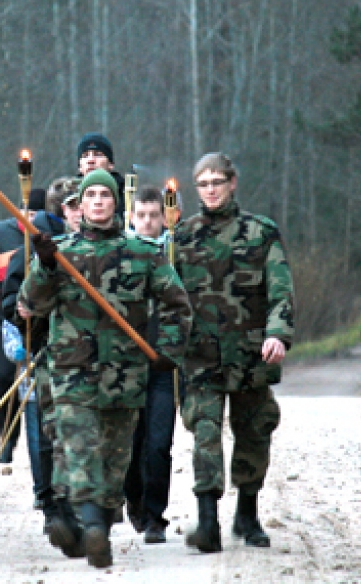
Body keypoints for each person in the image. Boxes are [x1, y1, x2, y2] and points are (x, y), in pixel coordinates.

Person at [18, 169, 192, 569]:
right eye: (90, 195)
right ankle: (92, 525)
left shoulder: (143, 254)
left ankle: (92, 529)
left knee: (115, 464)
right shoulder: (58, 253)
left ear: (117, 203)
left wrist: (169, 350)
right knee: (79, 450)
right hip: (70, 374)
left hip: (124, 377)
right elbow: (29, 306)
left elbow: (177, 305)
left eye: (105, 194)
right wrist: (43, 267)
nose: (97, 201)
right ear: (79, 204)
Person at [173, 152, 294, 553]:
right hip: (200, 355)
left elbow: (280, 289)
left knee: (254, 431)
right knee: (204, 431)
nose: (210, 191)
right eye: (203, 184)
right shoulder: (182, 237)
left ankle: (247, 512)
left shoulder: (261, 233)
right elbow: (162, 292)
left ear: (232, 183)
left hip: (249, 354)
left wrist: (277, 333)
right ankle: (208, 520)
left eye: (216, 182)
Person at [0, 178, 76, 537]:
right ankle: (49, 500)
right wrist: (21, 311)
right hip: (43, 351)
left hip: (88, 358)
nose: (77, 211)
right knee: (43, 430)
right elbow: (10, 296)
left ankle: (83, 503)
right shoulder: (37, 245)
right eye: (71, 205)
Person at [123, 185, 179, 544]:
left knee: (159, 443)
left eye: (153, 216)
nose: (147, 222)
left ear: (164, 217)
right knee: (131, 442)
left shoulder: (174, 253)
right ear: (131, 217)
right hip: (126, 366)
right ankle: (134, 499)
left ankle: (156, 515)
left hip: (163, 366)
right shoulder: (121, 253)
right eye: (141, 216)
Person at [0, 187, 48, 463]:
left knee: (34, 383)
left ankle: (39, 443)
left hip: (38, 317)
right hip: (4, 317)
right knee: (3, 376)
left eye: (35, 213)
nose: (29, 217)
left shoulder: (45, 236)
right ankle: (7, 435)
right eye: (26, 211)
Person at [75, 133, 126, 214]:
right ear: (79, 167)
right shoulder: (67, 199)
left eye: (98, 155)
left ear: (110, 164)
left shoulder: (128, 196)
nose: (91, 160)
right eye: (85, 156)